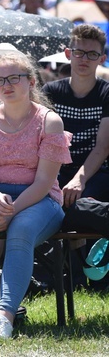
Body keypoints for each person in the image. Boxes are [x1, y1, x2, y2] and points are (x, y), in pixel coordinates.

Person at [0, 52, 70, 339]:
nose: (6, 85)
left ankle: (4, 316)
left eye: (13, 78)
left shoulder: (49, 122)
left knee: (22, 227)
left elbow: (44, 182)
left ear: (30, 81)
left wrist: (12, 209)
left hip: (39, 200)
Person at [43, 25, 109, 285]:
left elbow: (103, 147)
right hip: (56, 170)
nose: (85, 59)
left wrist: (79, 179)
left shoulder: (106, 93)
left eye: (92, 55)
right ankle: (80, 273)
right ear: (68, 53)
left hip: (96, 170)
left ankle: (82, 273)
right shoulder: (51, 92)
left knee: (80, 199)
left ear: (102, 59)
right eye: (80, 52)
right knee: (62, 204)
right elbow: (45, 141)